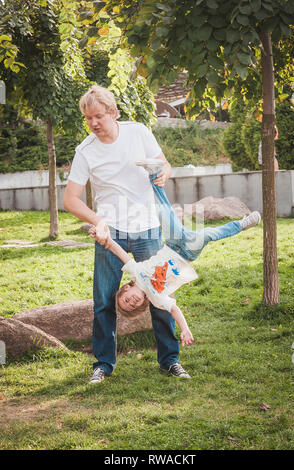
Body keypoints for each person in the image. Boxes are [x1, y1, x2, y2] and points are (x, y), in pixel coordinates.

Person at [63, 84, 190, 383]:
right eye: (87, 118)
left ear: (112, 112)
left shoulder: (138, 132)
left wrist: (164, 173)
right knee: (105, 300)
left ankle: (170, 360)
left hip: (147, 227)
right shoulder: (85, 151)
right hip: (111, 233)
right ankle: (104, 364)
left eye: (98, 116)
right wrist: (98, 220)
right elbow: (70, 200)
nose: (93, 123)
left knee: (158, 293)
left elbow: (165, 164)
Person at [89, 159, 261, 356]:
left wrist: (104, 238)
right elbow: (175, 310)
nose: (131, 302)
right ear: (141, 305)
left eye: (126, 300)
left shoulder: (135, 273)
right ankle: (241, 225)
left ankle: (154, 173)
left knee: (164, 211)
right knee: (207, 234)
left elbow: (119, 252)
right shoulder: (156, 298)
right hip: (187, 252)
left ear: (126, 288)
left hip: (172, 243)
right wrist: (185, 328)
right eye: (132, 305)